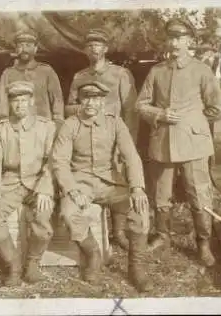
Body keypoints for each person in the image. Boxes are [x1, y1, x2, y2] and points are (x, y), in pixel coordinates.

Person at [136, 18, 221, 267]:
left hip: (194, 144)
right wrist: (159, 114)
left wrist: (192, 121)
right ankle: (162, 236)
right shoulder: (157, 71)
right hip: (162, 142)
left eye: (180, 38)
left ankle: (203, 243)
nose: (174, 43)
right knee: (161, 194)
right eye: (171, 38)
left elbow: (216, 108)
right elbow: (140, 105)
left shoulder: (201, 71)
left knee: (199, 194)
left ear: (189, 42)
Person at [52, 78, 152, 292]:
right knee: (69, 212)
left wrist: (136, 187)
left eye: (96, 99)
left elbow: (131, 156)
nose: (90, 103)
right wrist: (71, 189)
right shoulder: (70, 124)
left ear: (102, 102)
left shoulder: (114, 122)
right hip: (82, 183)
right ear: (79, 100)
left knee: (140, 210)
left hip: (111, 183)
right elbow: (59, 161)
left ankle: (137, 267)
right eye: (86, 98)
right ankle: (93, 254)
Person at [66, 28, 139, 251]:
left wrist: (127, 144)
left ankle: (119, 232)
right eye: (89, 45)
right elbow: (68, 108)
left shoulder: (120, 74)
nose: (93, 49)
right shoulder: (80, 77)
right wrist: (88, 107)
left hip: (115, 138)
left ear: (106, 49)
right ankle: (99, 232)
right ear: (85, 50)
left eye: (98, 45)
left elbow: (131, 111)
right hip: (88, 136)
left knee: (119, 182)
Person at [0, 81, 56, 287]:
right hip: (10, 183)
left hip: (38, 182)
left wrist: (46, 190)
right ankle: (13, 264)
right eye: (15, 101)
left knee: (42, 217)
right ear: (10, 104)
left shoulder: (47, 127)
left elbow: (53, 161)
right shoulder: (1, 129)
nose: (20, 105)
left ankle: (32, 263)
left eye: (24, 100)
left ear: (32, 102)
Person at [0, 30, 64, 127]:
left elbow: (57, 100)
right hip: (16, 127)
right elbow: (2, 103)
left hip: (43, 127)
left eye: (28, 45)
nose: (24, 49)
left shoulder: (46, 71)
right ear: (16, 49)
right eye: (20, 46)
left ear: (35, 48)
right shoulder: (8, 74)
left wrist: (57, 123)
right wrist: (5, 125)